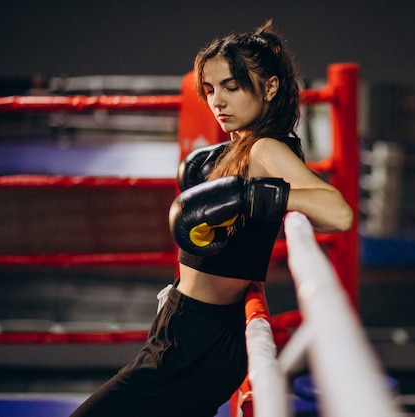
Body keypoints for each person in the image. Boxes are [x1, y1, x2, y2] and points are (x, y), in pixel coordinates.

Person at [69, 20, 353, 417]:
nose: (217, 101)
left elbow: (339, 214)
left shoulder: (266, 150)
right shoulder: (237, 149)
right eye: (210, 89)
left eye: (232, 87)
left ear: (270, 87)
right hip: (183, 327)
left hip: (199, 341)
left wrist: (253, 197)